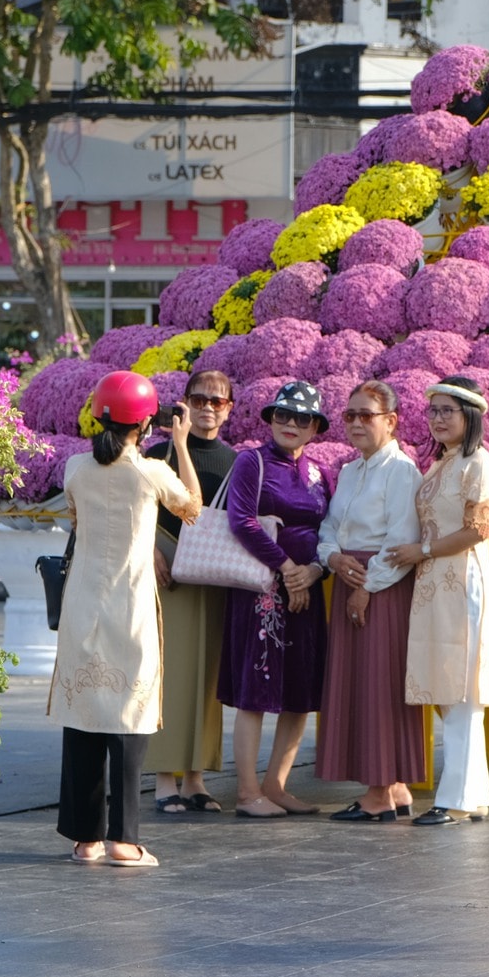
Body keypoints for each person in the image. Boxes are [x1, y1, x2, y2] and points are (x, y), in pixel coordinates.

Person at [52, 371, 202, 868]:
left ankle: (85, 838)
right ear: (149, 421)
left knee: (84, 717)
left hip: (83, 605)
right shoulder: (151, 472)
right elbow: (193, 509)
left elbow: (77, 513)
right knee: (128, 720)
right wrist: (180, 445)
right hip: (131, 603)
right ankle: (124, 839)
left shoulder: (75, 466)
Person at [387, 375, 489, 826]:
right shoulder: (441, 464)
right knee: (449, 691)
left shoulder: (480, 465)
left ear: (469, 416)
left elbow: (478, 530)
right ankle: (473, 797)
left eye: (446, 411)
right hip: (434, 583)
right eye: (432, 411)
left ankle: (454, 799)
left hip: (462, 583)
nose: (436, 419)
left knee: (461, 689)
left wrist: (424, 551)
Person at [218, 380, 334, 818]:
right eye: (282, 415)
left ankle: (277, 784)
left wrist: (311, 574)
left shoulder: (322, 473)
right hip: (262, 589)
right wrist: (287, 569)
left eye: (301, 418)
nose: (290, 423)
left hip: (306, 587)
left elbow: (330, 530)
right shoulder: (253, 462)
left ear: (314, 427)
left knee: (300, 688)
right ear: (270, 420)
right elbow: (241, 521)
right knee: (256, 688)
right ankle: (247, 792)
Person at [315, 380, 426, 821]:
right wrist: (334, 558)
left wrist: (366, 587)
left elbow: (402, 540)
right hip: (350, 578)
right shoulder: (349, 471)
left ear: (391, 421)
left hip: (382, 586)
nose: (357, 423)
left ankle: (379, 792)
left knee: (380, 687)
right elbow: (330, 527)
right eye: (350, 415)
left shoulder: (401, 471)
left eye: (367, 415)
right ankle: (393, 787)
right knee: (360, 685)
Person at [144, 368, 238, 815]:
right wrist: (150, 552)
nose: (206, 408)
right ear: (184, 402)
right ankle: (165, 778)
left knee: (206, 674)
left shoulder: (235, 461)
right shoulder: (157, 455)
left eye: (216, 401)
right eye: (198, 399)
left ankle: (196, 777)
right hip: (167, 568)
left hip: (212, 572)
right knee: (168, 672)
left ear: (229, 410)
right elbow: (141, 511)